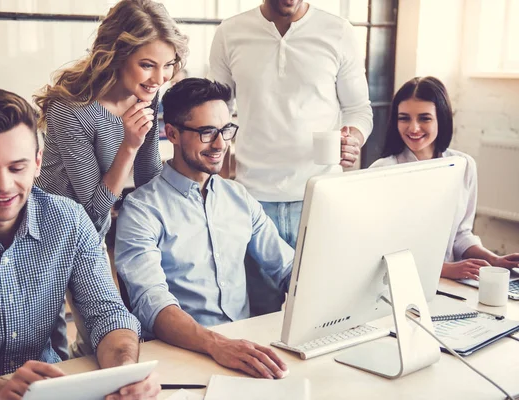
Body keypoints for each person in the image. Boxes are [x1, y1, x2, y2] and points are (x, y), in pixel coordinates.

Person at [0, 89, 159, 400]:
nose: (3, 185)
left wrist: (126, 375)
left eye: (17, 168)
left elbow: (108, 314)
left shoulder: (67, 220)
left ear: (37, 161)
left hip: (52, 390)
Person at [33, 0, 188, 357]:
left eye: (167, 66)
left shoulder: (146, 93)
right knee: (51, 344)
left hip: (100, 227)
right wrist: (129, 145)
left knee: (107, 337)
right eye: (147, 65)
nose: (159, 78)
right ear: (117, 54)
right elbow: (89, 212)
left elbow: (149, 179)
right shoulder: (71, 110)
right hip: (51, 231)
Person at [114, 78, 294, 379]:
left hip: (241, 349)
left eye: (226, 130)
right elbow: (151, 302)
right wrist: (216, 344)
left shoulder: (238, 197)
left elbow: (286, 267)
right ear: (171, 133)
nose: (221, 143)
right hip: (179, 357)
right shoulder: (142, 209)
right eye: (207, 132)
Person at [207, 0, 373, 313]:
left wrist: (354, 138)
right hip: (252, 200)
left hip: (320, 198)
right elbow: (217, 109)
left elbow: (358, 109)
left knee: (324, 311)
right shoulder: (230, 33)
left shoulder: (338, 32)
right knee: (258, 315)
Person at [370, 76, 519, 280]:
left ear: (442, 118)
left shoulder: (464, 165)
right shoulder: (382, 171)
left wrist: (493, 260)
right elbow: (378, 249)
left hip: (450, 283)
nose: (413, 128)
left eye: (424, 118)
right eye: (404, 118)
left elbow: (460, 234)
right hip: (401, 283)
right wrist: (444, 269)